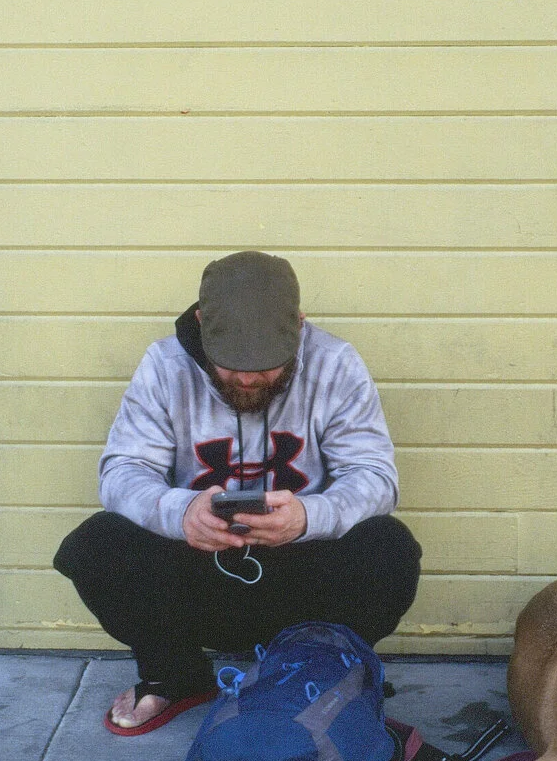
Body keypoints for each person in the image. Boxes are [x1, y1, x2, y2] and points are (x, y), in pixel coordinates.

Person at [54, 251, 422, 734]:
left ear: (298, 326)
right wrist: (182, 512)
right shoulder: (165, 365)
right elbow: (123, 471)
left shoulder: (335, 363)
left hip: (301, 570)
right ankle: (174, 675)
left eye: (267, 364)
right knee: (97, 545)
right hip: (200, 566)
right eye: (230, 363)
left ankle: (315, 673)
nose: (248, 379)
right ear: (201, 325)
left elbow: (374, 476)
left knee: (389, 549)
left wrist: (308, 517)